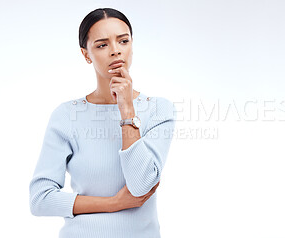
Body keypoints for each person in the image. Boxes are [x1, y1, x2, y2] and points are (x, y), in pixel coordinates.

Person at [29, 8, 176, 238]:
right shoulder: (67, 115)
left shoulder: (158, 110)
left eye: (123, 41)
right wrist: (115, 203)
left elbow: (140, 185)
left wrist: (126, 109)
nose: (116, 51)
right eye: (102, 45)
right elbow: (40, 199)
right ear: (86, 54)